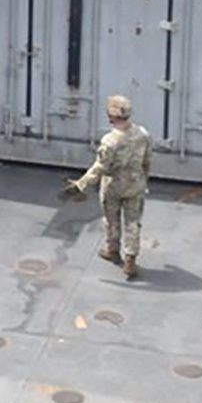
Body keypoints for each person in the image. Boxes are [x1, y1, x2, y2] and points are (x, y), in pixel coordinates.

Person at [64, 94, 152, 279]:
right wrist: (144, 180)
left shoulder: (110, 141)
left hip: (113, 186)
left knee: (111, 220)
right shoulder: (143, 134)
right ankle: (130, 260)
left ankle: (113, 250)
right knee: (133, 222)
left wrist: (81, 184)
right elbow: (147, 161)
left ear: (112, 115)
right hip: (136, 185)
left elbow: (99, 168)